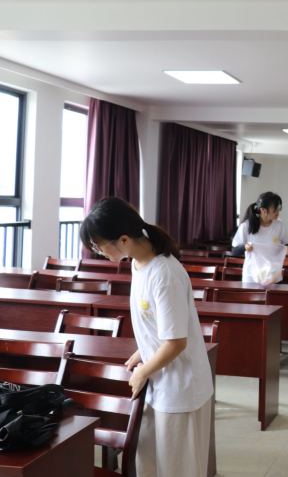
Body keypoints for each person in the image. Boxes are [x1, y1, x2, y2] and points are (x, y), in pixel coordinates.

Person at [79, 197, 213, 477]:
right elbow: (159, 325)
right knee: (149, 464)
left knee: (176, 469)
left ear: (124, 240)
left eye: (99, 246)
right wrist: (144, 351)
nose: (98, 252)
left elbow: (176, 342)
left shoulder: (164, 274)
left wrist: (142, 371)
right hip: (158, 379)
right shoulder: (138, 264)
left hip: (180, 386)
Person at [232, 192, 288, 284]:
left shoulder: (279, 225)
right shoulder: (246, 226)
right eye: (275, 209)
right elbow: (234, 250)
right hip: (251, 275)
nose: (278, 212)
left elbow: (285, 244)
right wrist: (245, 247)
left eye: (279, 209)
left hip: (273, 274)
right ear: (263, 210)